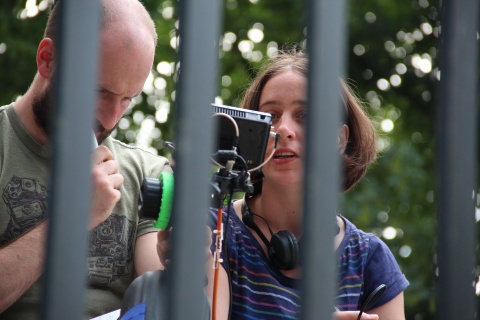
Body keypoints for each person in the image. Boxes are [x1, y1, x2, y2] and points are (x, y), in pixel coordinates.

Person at [206, 49, 409, 320]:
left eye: (304, 115)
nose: (284, 129)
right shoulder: (214, 231)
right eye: (271, 115)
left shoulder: (370, 260)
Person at [0, 0, 171, 318]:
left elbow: (159, 298)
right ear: (48, 59)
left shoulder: (147, 172)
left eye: (127, 100)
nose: (110, 118)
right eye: (100, 92)